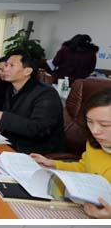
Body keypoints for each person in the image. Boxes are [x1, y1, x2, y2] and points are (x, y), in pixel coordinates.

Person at [31, 89, 111, 218]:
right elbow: (85, 168)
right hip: (86, 207)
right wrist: (53, 164)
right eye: (90, 122)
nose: (95, 131)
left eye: (104, 125)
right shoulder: (94, 143)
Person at [0, 52, 64, 154]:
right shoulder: (11, 88)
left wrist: (3, 117)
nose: (5, 69)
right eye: (6, 65)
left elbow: (39, 130)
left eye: (11, 65)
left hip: (38, 151)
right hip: (12, 142)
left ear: (27, 71)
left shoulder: (46, 94)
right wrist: (0, 125)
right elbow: (16, 118)